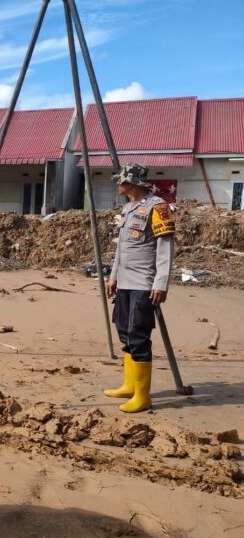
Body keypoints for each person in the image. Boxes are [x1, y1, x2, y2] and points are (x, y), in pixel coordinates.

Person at [104, 163, 175, 413]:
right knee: (123, 329)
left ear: (132, 182)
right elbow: (121, 249)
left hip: (144, 282)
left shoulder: (157, 207)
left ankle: (143, 396)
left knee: (138, 334)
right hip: (124, 281)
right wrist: (113, 276)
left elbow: (165, 248)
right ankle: (129, 385)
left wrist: (161, 283)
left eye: (120, 180)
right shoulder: (127, 208)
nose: (117, 184)